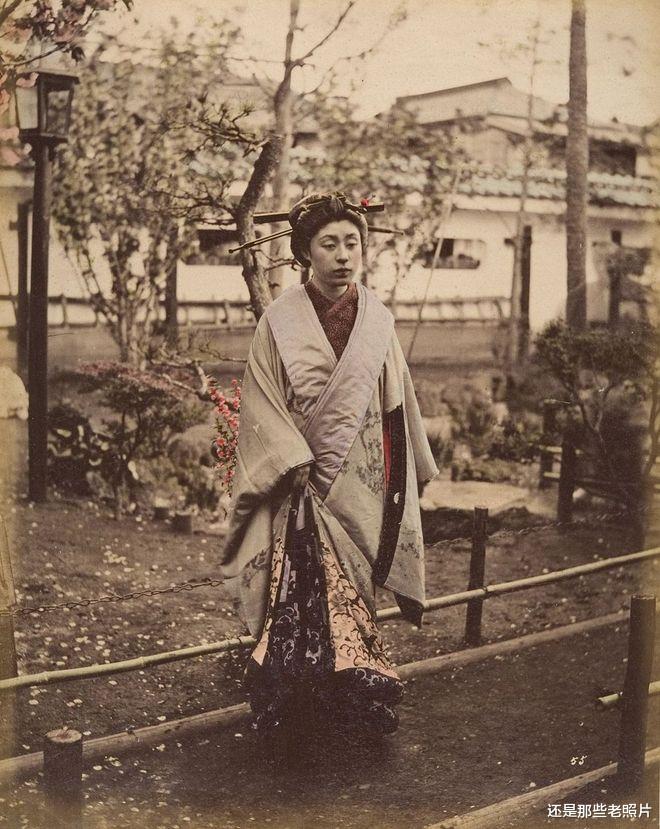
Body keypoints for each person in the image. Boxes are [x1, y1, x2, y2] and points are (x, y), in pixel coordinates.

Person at [220, 192, 438, 743]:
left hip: (360, 479)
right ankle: (293, 704)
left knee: (355, 590)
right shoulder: (279, 320)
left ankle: (353, 702)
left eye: (352, 243)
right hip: (299, 481)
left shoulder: (377, 321)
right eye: (329, 244)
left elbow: (396, 403)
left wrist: (399, 472)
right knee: (298, 592)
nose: (343, 256)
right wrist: (290, 458)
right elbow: (263, 399)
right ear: (303, 253)